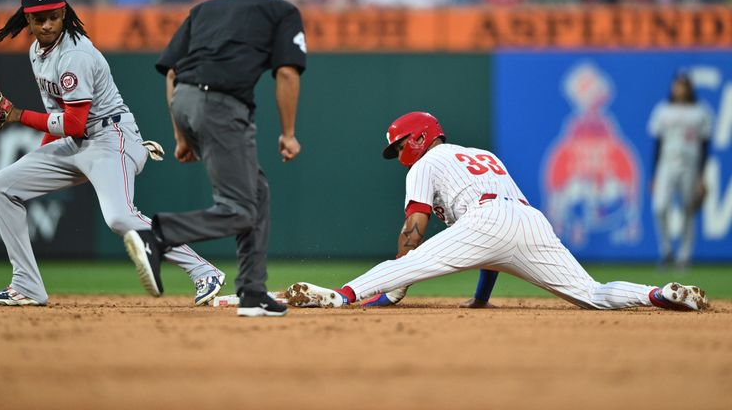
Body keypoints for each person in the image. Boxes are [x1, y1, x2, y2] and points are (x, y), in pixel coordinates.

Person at [286, 112, 709, 312]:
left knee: (412, 260)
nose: (399, 153)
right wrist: (480, 301)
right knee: (591, 294)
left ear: (418, 139)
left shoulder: (426, 163)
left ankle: (340, 296)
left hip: (488, 220)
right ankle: (656, 294)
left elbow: (414, 229)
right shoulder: (482, 154)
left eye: (399, 145)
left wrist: (399, 283)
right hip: (530, 220)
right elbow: (492, 248)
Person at [0, 0, 225, 307]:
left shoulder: (74, 55)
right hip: (76, 145)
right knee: (2, 185)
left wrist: (16, 114)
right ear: (27, 18)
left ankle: (204, 271)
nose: (47, 24)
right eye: (39, 18)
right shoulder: (37, 51)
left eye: (53, 15)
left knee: (119, 218)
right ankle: (26, 285)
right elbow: (60, 118)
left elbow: (76, 123)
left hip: (110, 138)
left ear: (64, 12)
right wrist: (38, 163)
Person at [123, 0, 306, 318]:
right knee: (239, 211)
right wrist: (288, 133)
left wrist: (180, 135)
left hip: (185, 101)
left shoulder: (206, 8)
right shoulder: (281, 10)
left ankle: (252, 292)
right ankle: (158, 234)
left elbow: (172, 72)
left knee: (257, 192)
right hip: (222, 106)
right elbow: (287, 72)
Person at [648, 73, 714, 270]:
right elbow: (657, 143)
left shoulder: (700, 111)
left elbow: (704, 145)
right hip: (667, 163)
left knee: (688, 208)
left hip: (690, 165)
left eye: (683, 85)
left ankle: (684, 256)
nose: (680, 89)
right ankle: (666, 251)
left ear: (689, 88)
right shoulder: (663, 110)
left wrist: (702, 176)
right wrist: (654, 175)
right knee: (659, 207)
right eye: (677, 85)